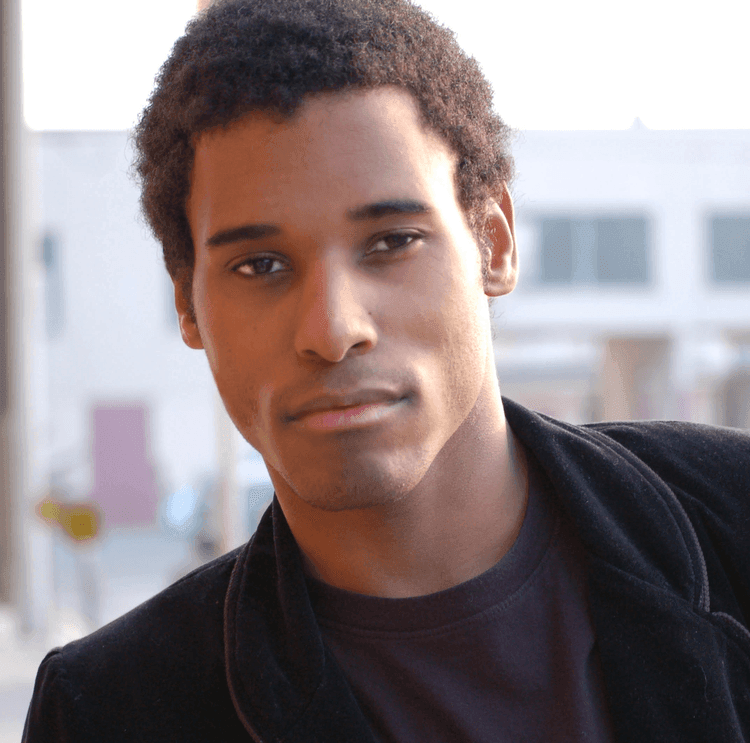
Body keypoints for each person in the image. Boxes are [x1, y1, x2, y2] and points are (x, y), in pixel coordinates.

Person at [23, 0, 750, 740]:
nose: (333, 330)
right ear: (188, 304)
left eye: (391, 241)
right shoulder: (112, 708)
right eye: (261, 264)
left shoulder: (735, 516)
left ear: (492, 243)